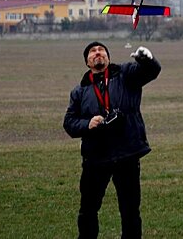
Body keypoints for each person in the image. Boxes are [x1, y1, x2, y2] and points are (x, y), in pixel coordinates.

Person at [63, 41, 161, 239]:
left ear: (108, 57)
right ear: (87, 62)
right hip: (95, 157)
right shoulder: (80, 91)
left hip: (127, 154)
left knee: (130, 210)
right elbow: (69, 122)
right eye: (92, 51)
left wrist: (147, 60)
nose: (97, 53)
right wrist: (87, 123)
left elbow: (151, 71)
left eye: (101, 50)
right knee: (88, 209)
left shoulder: (126, 74)